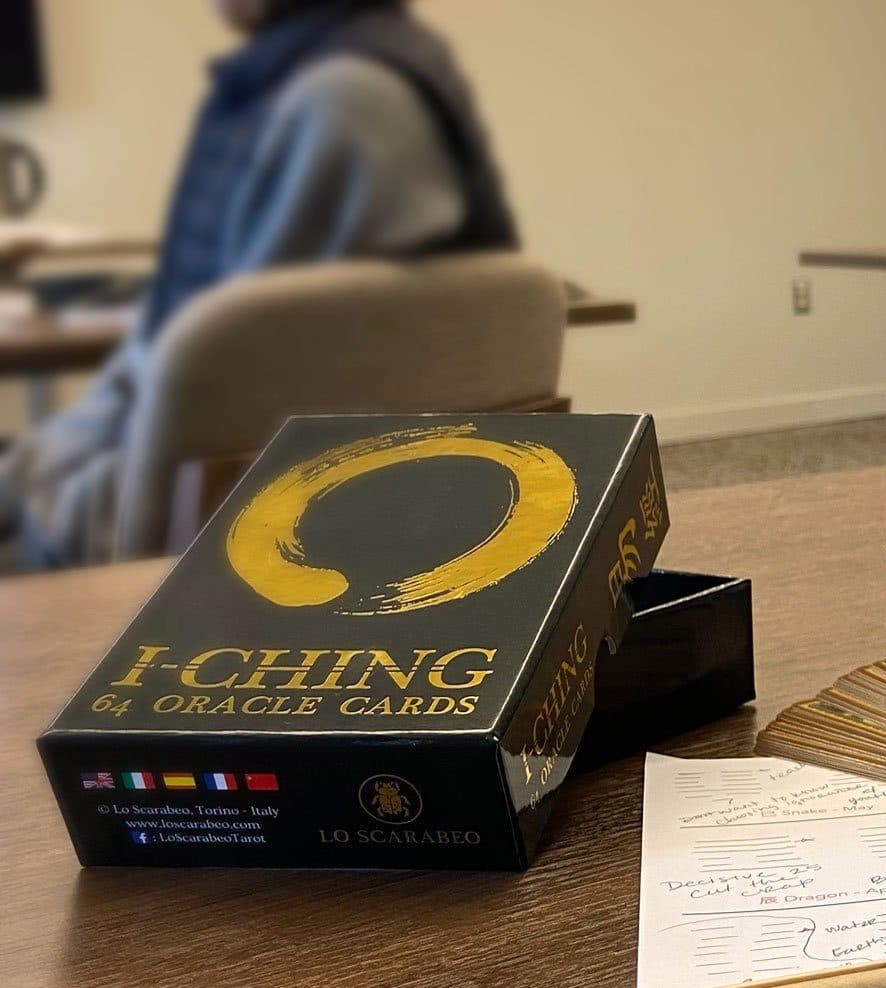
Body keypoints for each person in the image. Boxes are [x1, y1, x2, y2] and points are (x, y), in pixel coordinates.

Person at [0, 0, 516, 571]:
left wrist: (32, 477)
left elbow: (222, 418)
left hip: (203, 545)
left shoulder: (343, 102)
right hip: (235, 514)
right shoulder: (363, 70)